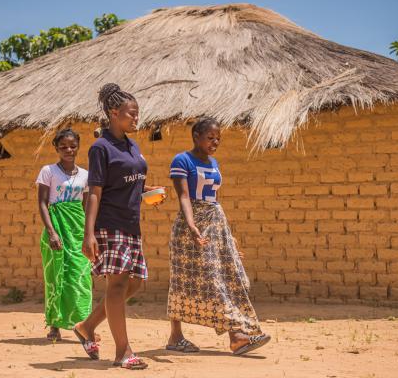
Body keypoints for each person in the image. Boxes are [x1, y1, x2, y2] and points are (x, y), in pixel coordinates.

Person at [73, 83, 164, 370]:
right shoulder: (100, 148)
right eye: (131, 113)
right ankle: (123, 352)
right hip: (110, 224)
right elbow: (96, 191)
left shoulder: (131, 145)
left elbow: (129, 181)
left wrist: (147, 191)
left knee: (134, 283)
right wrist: (89, 234)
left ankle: (87, 327)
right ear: (114, 113)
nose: (137, 118)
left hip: (131, 223)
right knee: (118, 285)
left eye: (137, 113)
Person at [166, 117, 271, 355]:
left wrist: (228, 239)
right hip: (190, 229)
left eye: (218, 139)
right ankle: (232, 337)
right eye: (210, 138)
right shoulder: (182, 160)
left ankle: (237, 336)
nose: (215, 142)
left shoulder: (214, 163)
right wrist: (192, 226)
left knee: (232, 277)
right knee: (185, 281)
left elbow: (215, 201)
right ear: (196, 137)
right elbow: (184, 197)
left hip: (215, 226)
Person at [36, 128, 93, 341]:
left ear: (78, 146)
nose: (69, 150)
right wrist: (52, 233)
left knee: (80, 276)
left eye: (72, 146)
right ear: (56, 148)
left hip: (77, 230)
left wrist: (90, 233)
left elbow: (86, 207)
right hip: (57, 228)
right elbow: (42, 203)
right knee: (56, 275)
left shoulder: (86, 175)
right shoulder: (48, 171)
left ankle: (83, 324)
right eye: (63, 147)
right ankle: (54, 324)